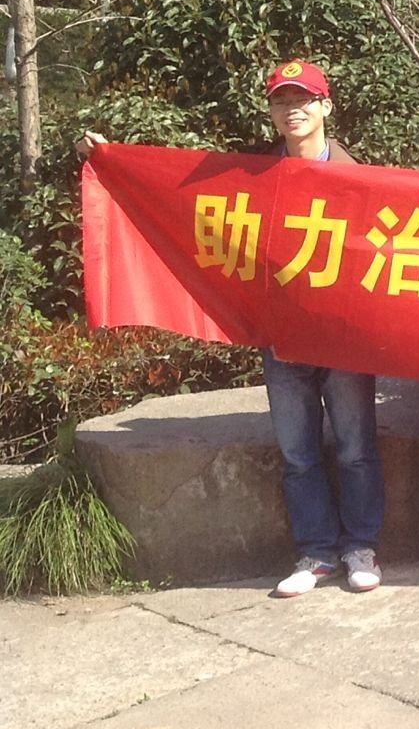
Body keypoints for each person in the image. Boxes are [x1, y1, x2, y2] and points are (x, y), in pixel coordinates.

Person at [84, 60, 386, 599]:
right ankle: (316, 552)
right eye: (280, 101)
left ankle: (360, 547)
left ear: (326, 106)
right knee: (298, 454)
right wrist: (112, 160)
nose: (292, 110)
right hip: (281, 340)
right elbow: (176, 186)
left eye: (303, 99)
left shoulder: (361, 179)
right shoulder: (249, 176)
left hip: (342, 340)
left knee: (355, 449)